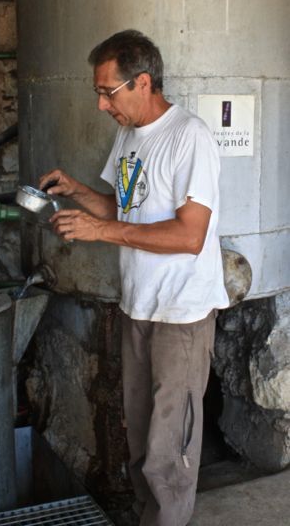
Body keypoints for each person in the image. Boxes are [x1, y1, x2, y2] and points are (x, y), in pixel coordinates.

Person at [39, 30, 229, 526]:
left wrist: (102, 230)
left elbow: (191, 235)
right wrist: (78, 192)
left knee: (171, 455)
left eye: (108, 91)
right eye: (99, 93)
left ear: (142, 82)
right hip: (139, 308)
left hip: (181, 316)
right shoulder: (129, 134)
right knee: (143, 443)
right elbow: (126, 208)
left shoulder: (190, 136)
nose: (102, 105)